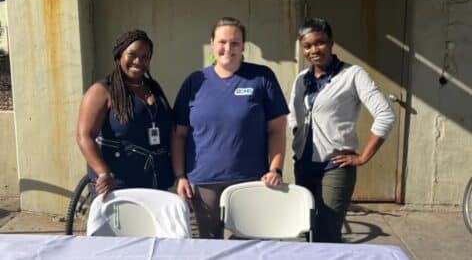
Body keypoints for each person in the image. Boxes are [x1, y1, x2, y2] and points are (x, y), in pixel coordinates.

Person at [172, 17, 289, 238]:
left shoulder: (261, 78)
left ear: (243, 46)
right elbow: (179, 134)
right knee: (210, 245)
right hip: (203, 183)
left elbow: (277, 129)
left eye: (235, 43)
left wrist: (275, 169)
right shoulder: (194, 81)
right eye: (222, 42)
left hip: (250, 181)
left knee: (248, 246)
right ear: (212, 44)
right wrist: (180, 176)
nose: (228, 48)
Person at [288, 18, 395, 243]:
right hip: (304, 165)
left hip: (334, 166)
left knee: (327, 232)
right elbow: (292, 115)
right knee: (305, 228)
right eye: (307, 46)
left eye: (320, 43)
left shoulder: (353, 75)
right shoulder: (301, 79)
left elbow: (385, 115)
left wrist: (364, 156)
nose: (314, 50)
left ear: (331, 43)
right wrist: (298, 137)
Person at [76, 29, 174, 197]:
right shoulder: (102, 91)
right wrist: (103, 172)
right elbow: (84, 136)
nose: (138, 61)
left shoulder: (153, 87)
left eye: (145, 57)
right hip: (117, 183)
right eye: (132, 54)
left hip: (154, 180)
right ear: (120, 54)